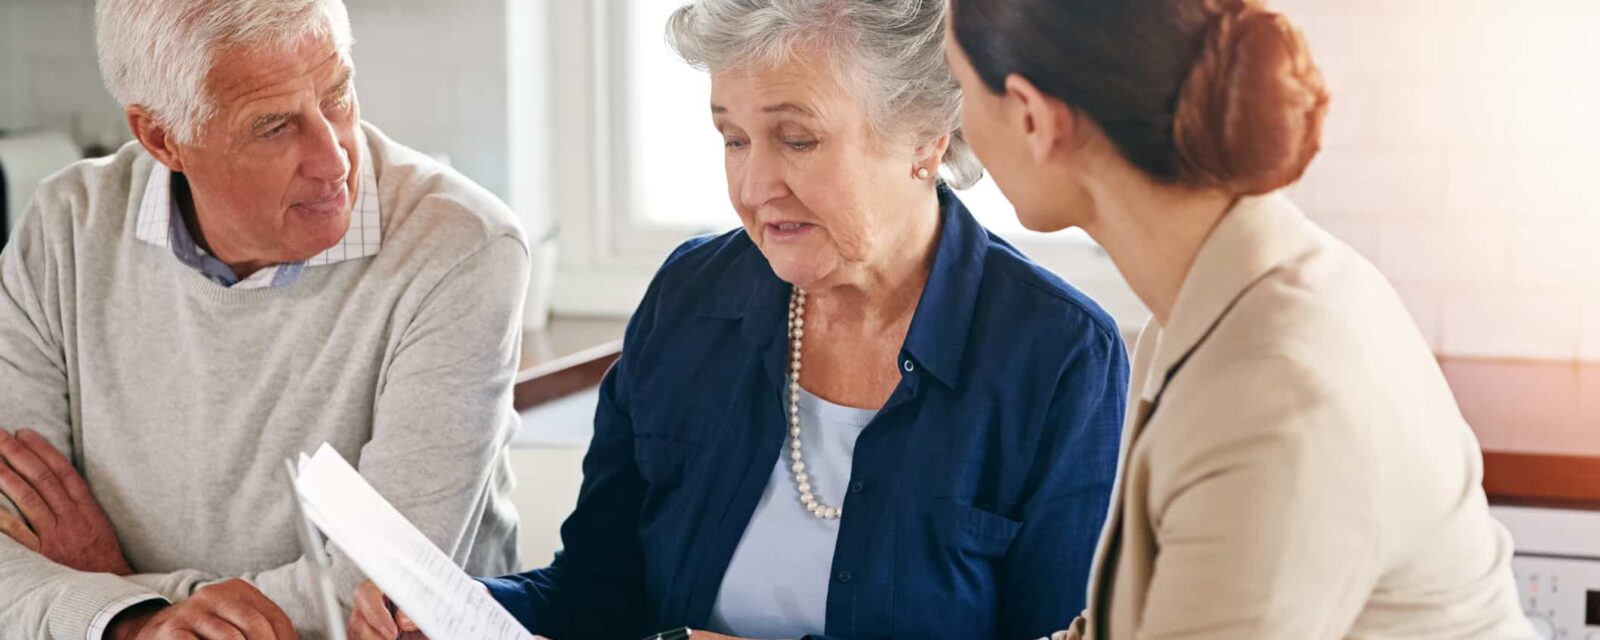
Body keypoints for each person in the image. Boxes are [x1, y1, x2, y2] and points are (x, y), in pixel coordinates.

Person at [350, 1, 1126, 638]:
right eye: (733, 139)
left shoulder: (1059, 357)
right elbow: (596, 591)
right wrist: (456, 610)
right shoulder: (690, 299)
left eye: (798, 139)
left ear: (927, 137)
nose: (755, 187)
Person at [943, 0, 1535, 638]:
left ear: (1032, 117)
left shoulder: (1275, 392)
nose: (958, 128)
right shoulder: (1203, 307)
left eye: (961, 90)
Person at [0, 0, 528, 637]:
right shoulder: (65, 229)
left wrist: (112, 595)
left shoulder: (458, 246)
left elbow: (375, 593)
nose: (334, 160)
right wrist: (135, 622)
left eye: (337, 95)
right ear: (162, 138)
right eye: (274, 126)